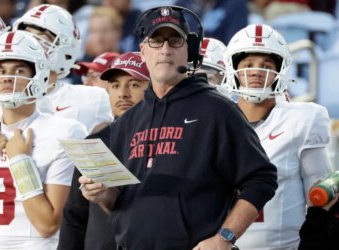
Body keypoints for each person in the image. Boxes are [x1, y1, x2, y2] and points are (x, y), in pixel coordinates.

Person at [79, 6, 278, 250]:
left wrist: (224, 237)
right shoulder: (124, 124)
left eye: (175, 41)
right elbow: (117, 204)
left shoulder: (218, 110)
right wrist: (102, 194)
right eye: (156, 41)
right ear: (142, 51)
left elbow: (262, 179)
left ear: (189, 51)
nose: (165, 50)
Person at [224, 24, 331, 249]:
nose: (256, 71)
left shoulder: (303, 119)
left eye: (266, 65)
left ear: (280, 71)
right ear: (232, 68)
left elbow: (321, 200)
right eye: (248, 64)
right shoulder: (215, 121)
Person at [0, 30, 88, 249]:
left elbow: (48, 225)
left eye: (19, 70)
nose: (6, 77)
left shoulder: (66, 131)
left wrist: (20, 162)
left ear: (39, 76)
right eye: (1, 70)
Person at [58, 52, 150, 250]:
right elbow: (74, 217)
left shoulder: (172, 140)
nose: (122, 93)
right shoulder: (94, 144)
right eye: (115, 86)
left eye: (134, 85)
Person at [12, 4, 114, 135]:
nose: (29, 45)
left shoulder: (93, 99)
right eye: (25, 37)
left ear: (65, 48)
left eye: (41, 39)